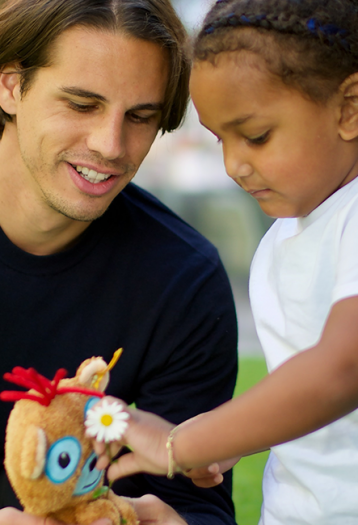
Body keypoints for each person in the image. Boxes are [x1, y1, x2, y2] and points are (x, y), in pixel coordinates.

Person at [90, 1, 358, 524]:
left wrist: (185, 441)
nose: (234, 165)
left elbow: (342, 369)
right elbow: (304, 385)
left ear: (351, 108)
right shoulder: (282, 239)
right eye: (219, 140)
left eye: (255, 135)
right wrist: (232, 438)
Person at [0, 1, 238, 525]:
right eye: (82, 104)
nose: (111, 145)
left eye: (140, 117)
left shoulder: (184, 282)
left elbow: (198, 506)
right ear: (11, 86)